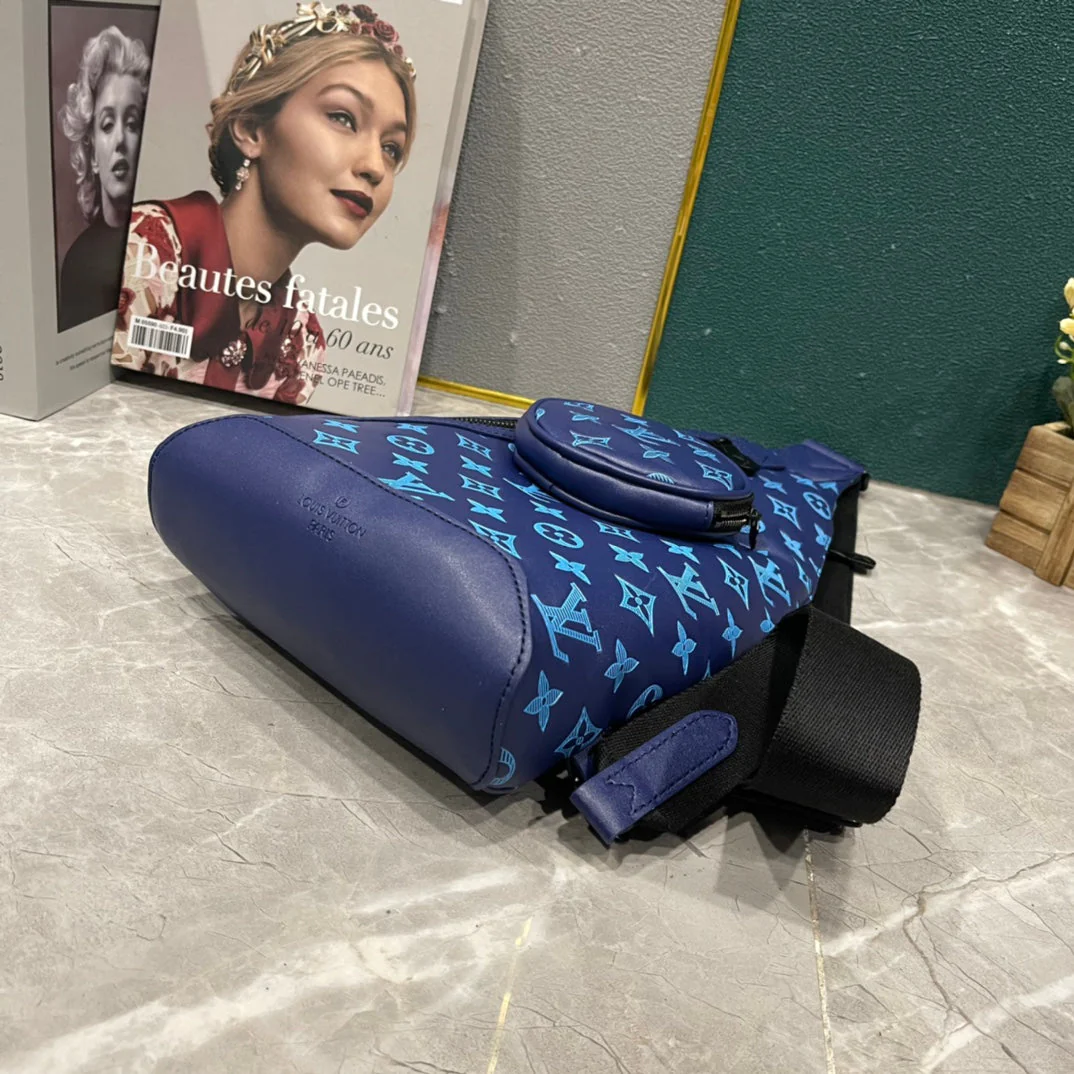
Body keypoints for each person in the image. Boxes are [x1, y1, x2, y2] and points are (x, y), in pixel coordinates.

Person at [112, 2, 417, 406]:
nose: (375, 167)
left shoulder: (302, 341)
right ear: (252, 129)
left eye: (392, 148)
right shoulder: (139, 254)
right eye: (343, 118)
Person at [58, 26, 151, 333]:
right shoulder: (79, 264)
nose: (121, 140)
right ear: (93, 153)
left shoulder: (170, 246)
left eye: (133, 124)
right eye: (108, 125)